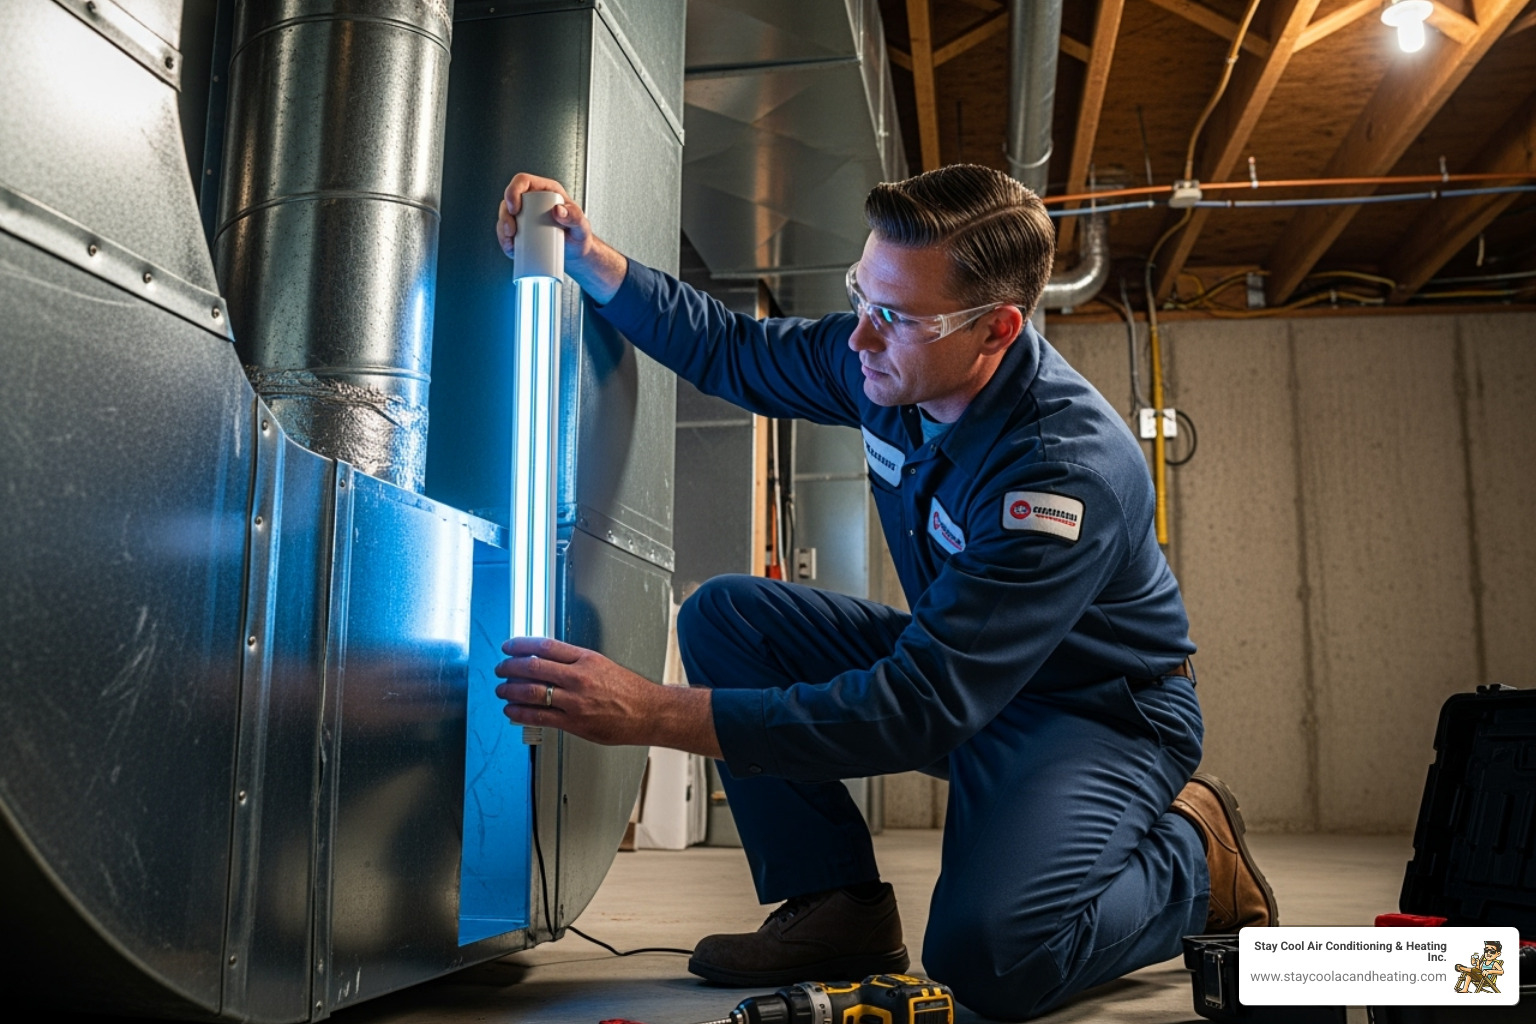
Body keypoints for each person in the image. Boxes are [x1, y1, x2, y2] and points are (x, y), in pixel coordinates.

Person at [492, 164, 1277, 1019]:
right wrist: (591, 256)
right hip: (965, 675)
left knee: (992, 960)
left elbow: (919, 708)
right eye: (861, 294)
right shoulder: (894, 362)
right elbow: (737, 353)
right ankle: (840, 908)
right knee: (731, 616)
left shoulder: (1059, 474)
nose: (861, 336)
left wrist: (656, 714)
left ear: (995, 330)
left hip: (1094, 714)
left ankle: (1197, 860)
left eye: (894, 317)